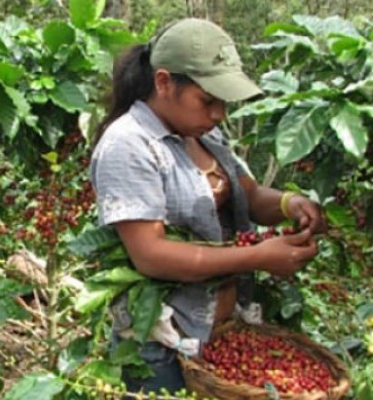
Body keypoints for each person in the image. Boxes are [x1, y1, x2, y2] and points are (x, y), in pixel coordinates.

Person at [90, 18, 327, 395]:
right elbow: (151, 256)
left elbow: (246, 196)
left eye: (222, 103)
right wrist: (257, 257)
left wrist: (289, 202)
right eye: (207, 100)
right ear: (164, 82)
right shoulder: (129, 145)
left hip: (220, 331)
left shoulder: (204, 133)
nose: (218, 114)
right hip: (163, 344)